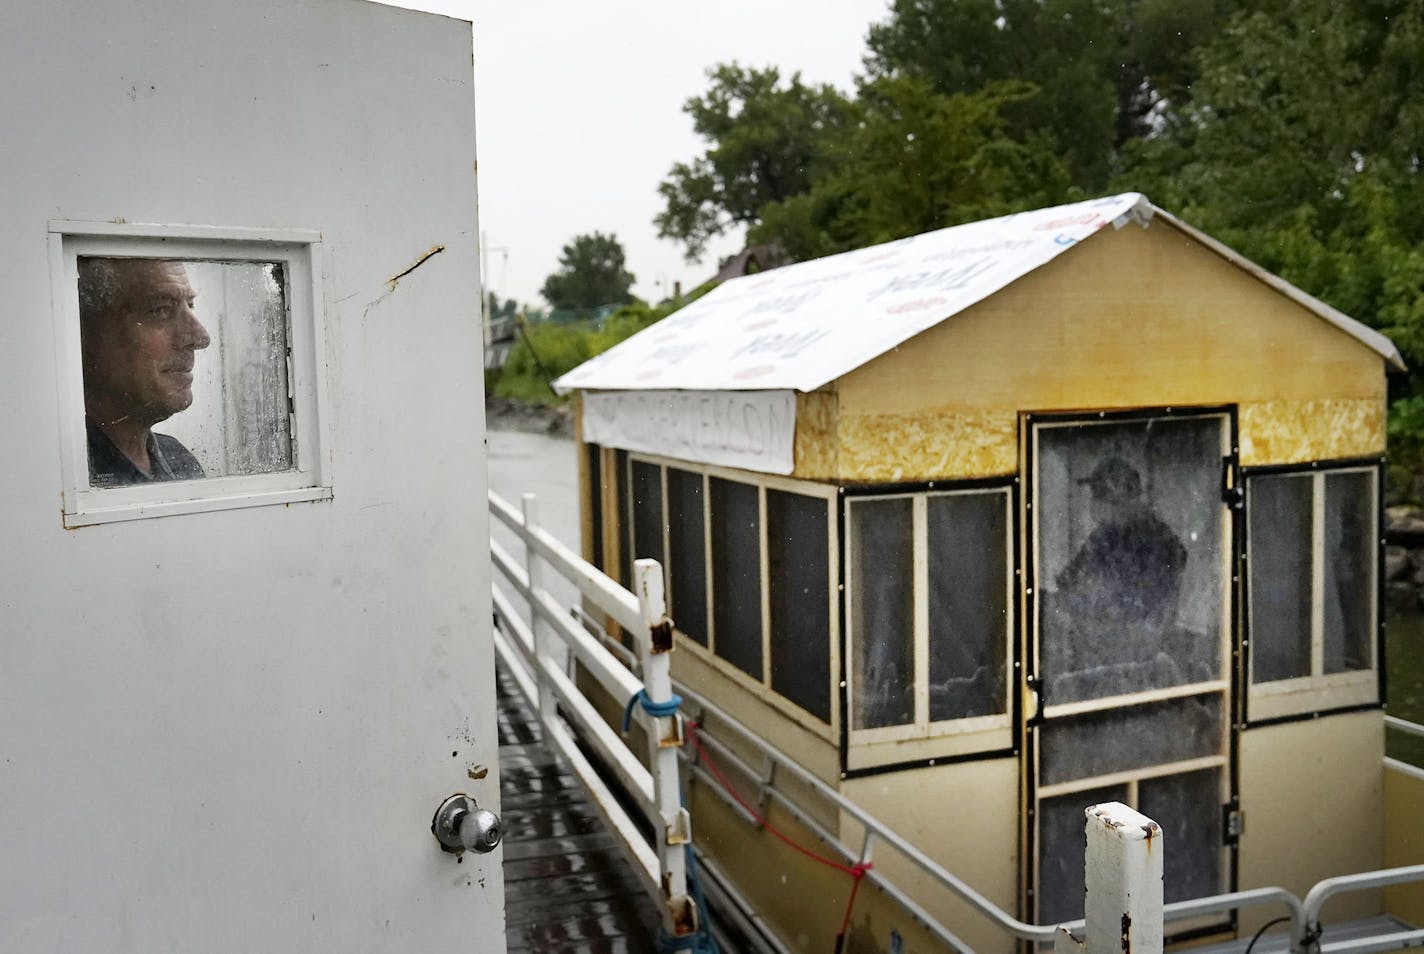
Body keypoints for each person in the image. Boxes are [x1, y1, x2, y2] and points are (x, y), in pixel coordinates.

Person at [1051, 455, 1188, 694]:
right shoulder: (1104, 536)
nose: (1094, 503)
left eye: (1101, 494)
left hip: (1132, 662)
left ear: (1121, 496)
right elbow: (1068, 585)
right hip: (1099, 654)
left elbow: (1151, 613)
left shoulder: (1157, 541)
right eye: (1096, 494)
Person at [78, 257, 211, 486]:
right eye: (160, 310)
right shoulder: (57, 471)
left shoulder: (179, 460)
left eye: (190, 305)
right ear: (86, 333)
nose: (200, 338)